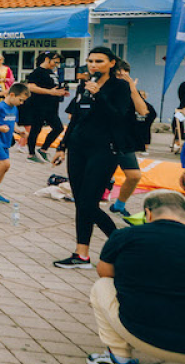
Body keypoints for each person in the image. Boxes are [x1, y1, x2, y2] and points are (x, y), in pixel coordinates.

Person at [86, 190, 185, 364]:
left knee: (102, 286)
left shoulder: (126, 235)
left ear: (148, 214)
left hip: (140, 333)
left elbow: (105, 272)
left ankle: (122, 363)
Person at [52, 47, 133, 269]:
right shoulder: (84, 86)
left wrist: (100, 94)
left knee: (89, 201)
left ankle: (122, 243)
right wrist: (62, 146)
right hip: (79, 148)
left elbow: (119, 117)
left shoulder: (120, 87)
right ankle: (82, 254)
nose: (93, 65)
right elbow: (76, 118)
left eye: (99, 61)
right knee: (81, 202)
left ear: (111, 63)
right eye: (90, 61)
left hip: (104, 150)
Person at [110, 63, 153, 217]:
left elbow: (143, 111)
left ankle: (119, 205)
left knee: (134, 176)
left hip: (124, 141)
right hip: (104, 140)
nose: (122, 79)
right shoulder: (106, 90)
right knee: (100, 176)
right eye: (119, 76)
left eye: (125, 76)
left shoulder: (131, 93)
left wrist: (132, 89)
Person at [24, 51, 67, 163]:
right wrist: (50, 92)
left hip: (51, 106)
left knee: (58, 128)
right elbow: (31, 87)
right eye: (55, 61)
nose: (56, 64)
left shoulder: (51, 72)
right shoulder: (37, 72)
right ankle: (31, 153)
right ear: (47, 59)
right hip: (38, 105)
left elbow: (52, 87)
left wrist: (60, 92)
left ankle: (43, 149)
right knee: (36, 129)